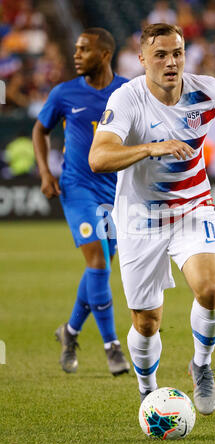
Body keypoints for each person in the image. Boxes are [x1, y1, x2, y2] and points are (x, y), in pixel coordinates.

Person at [89, 23, 215, 415]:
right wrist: (151, 148)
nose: (171, 62)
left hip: (192, 207)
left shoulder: (208, 90)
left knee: (210, 290)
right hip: (139, 218)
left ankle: (201, 364)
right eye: (161, 54)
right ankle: (147, 390)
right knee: (147, 323)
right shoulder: (127, 99)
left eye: (178, 53)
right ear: (142, 59)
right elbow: (98, 159)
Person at [32, 28, 130, 376]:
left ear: (104, 54)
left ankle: (69, 332)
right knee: (99, 263)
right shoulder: (64, 93)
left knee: (99, 268)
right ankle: (112, 346)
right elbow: (40, 129)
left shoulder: (127, 91)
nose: (76, 55)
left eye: (84, 49)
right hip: (77, 190)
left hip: (114, 194)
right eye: (75, 48)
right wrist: (46, 172)